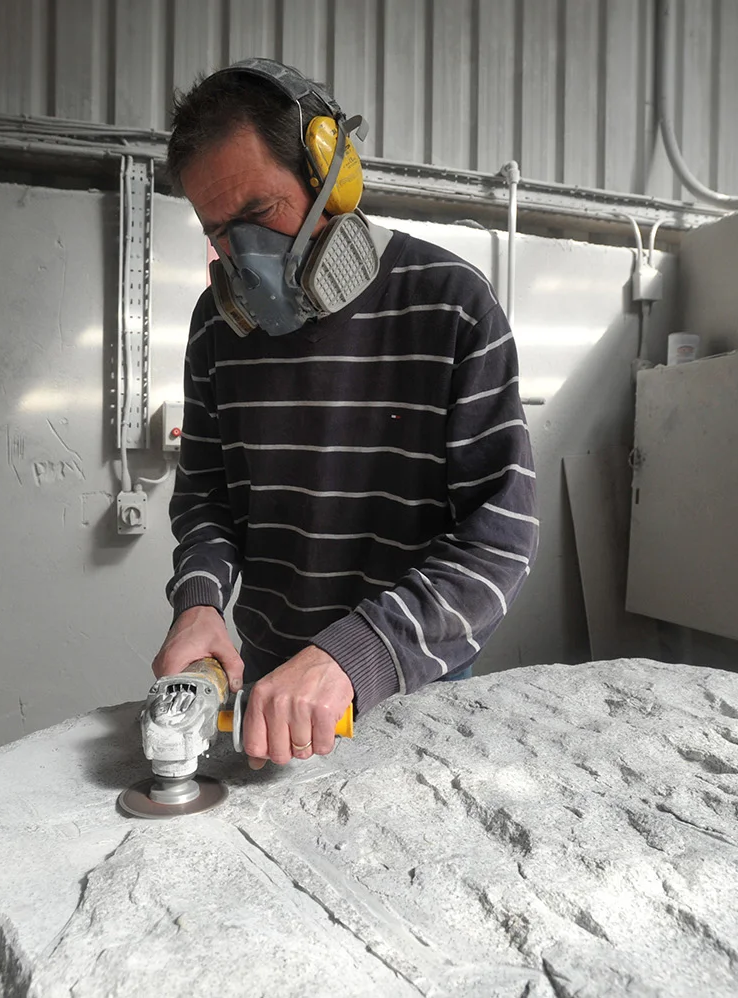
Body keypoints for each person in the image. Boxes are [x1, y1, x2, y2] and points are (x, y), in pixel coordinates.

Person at [150, 58, 537, 770]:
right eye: (220, 230)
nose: (243, 254)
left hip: (417, 685)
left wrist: (352, 656)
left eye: (260, 214)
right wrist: (199, 601)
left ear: (332, 174)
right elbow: (208, 499)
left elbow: (498, 540)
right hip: (270, 683)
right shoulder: (218, 325)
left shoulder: (452, 304)